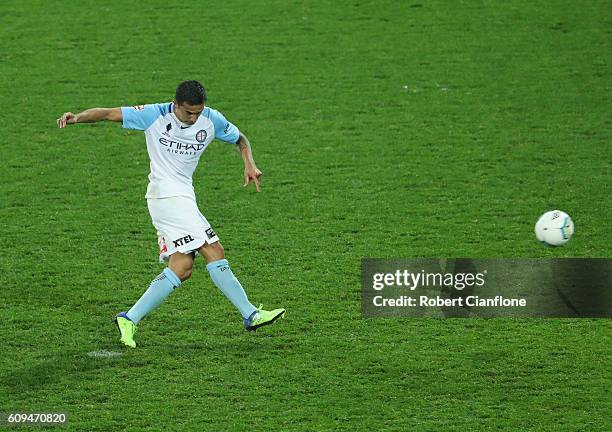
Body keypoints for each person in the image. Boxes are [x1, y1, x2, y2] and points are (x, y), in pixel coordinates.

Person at [57, 80, 285, 348]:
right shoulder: (153, 114)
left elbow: (240, 139)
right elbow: (108, 113)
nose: (193, 118)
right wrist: (76, 119)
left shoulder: (211, 120)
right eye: (188, 112)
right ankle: (250, 314)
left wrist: (250, 163)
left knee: (182, 267)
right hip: (166, 196)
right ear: (175, 104)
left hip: (183, 195)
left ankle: (129, 318)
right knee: (213, 249)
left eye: (198, 112)